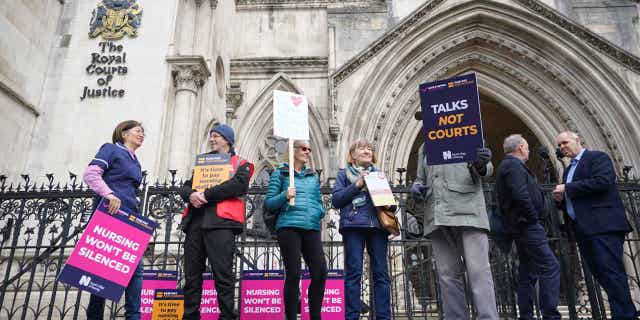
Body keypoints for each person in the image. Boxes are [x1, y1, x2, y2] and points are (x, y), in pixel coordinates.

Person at [410, 112, 498, 320]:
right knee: (447, 275)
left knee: (478, 273)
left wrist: (481, 164)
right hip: (437, 216)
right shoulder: (425, 147)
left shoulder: (469, 136)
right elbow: (420, 178)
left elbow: (486, 171)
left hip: (468, 213)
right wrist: (416, 187)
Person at [552, 131, 638, 320]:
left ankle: (625, 315)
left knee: (612, 272)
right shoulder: (568, 170)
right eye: (558, 145)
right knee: (602, 275)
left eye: (564, 142)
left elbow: (603, 181)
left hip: (602, 226)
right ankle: (624, 313)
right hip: (584, 229)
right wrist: (560, 199)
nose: (562, 147)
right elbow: (575, 197)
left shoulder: (597, 158)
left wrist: (568, 188)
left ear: (577, 140)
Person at [179, 124, 254, 320]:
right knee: (192, 277)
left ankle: (228, 316)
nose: (211, 139)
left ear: (227, 140)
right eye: (211, 136)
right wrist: (192, 194)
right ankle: (190, 316)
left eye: (216, 136)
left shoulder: (241, 163)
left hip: (221, 224)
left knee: (223, 276)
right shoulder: (204, 163)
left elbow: (238, 185)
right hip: (196, 223)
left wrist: (206, 194)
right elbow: (186, 187)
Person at [82, 120, 146, 320]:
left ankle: (133, 316)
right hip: (110, 217)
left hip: (128, 219)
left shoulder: (135, 161)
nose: (142, 134)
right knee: (102, 276)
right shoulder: (111, 149)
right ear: (124, 133)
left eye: (143, 132)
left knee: (135, 271)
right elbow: (91, 174)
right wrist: (108, 194)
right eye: (138, 131)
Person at [496, 134, 560, 320]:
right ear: (521, 148)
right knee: (550, 266)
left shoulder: (509, 166)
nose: (529, 151)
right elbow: (520, 195)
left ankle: (526, 315)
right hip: (527, 226)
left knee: (528, 272)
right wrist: (533, 218)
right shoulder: (512, 166)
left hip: (522, 226)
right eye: (527, 147)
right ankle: (550, 315)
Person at [264, 140, 327, 320]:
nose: (307, 152)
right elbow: (269, 203)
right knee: (293, 273)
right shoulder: (281, 174)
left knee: (320, 272)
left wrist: (318, 213)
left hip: (311, 227)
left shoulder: (312, 176)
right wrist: (285, 195)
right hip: (289, 226)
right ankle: (291, 316)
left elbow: (319, 202)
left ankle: (315, 315)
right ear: (293, 151)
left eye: (309, 149)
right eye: (303, 148)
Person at [332, 139, 392, 320]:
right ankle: (352, 316)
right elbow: (336, 200)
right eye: (362, 148)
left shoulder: (379, 175)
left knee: (381, 274)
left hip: (377, 227)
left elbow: (388, 205)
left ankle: (383, 316)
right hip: (354, 227)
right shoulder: (343, 174)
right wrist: (357, 185)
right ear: (352, 155)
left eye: (370, 149)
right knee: (354, 274)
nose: (367, 151)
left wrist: (390, 203)